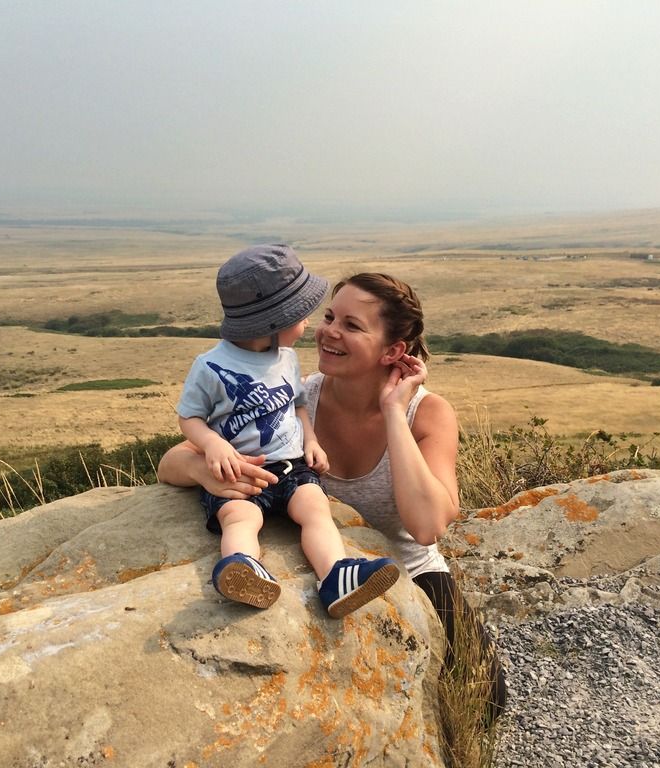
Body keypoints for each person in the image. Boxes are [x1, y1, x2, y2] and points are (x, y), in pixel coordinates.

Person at [159, 270, 506, 718]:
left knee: (485, 698)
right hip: (322, 558)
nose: (328, 332)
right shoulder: (298, 395)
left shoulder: (428, 413)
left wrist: (393, 414)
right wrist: (210, 471)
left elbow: (427, 527)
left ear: (394, 351)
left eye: (351, 325)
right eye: (328, 317)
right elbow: (172, 462)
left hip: (410, 570)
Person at [175, 245, 400, 619]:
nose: (310, 325)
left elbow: (296, 406)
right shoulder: (211, 366)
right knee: (240, 518)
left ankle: (335, 576)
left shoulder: (288, 359)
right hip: (240, 474)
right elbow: (190, 418)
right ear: (272, 323)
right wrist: (212, 444)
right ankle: (242, 567)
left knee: (316, 510)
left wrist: (310, 441)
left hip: (293, 467)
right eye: (302, 317)